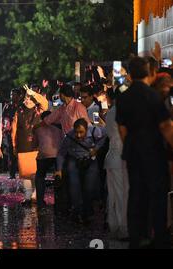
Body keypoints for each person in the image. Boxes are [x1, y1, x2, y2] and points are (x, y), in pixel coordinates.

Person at [116, 56, 173, 248]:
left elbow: (122, 128)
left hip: (133, 151)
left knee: (136, 194)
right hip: (154, 152)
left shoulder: (123, 97)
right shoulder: (154, 97)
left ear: (130, 75)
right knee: (157, 195)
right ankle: (159, 236)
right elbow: (165, 126)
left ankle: (136, 236)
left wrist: (131, 145)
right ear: (151, 73)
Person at [55, 118, 107, 224]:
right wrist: (59, 170)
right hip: (74, 160)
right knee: (74, 187)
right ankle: (77, 211)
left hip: (90, 161)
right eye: (76, 132)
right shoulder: (69, 136)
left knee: (89, 188)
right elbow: (61, 153)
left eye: (81, 132)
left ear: (86, 129)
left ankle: (87, 212)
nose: (78, 135)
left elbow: (105, 137)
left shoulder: (95, 131)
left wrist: (96, 149)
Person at [11, 86, 48, 205]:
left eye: (30, 98)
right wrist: (14, 145)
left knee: (37, 173)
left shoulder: (39, 109)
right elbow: (14, 129)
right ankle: (27, 197)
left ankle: (35, 195)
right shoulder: (19, 110)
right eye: (26, 98)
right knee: (25, 174)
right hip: (23, 145)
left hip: (37, 146)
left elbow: (45, 103)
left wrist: (34, 94)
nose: (27, 100)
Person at [104, 85, 128, 240]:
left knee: (113, 195)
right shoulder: (123, 111)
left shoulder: (111, 112)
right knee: (122, 195)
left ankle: (114, 226)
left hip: (112, 158)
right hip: (120, 159)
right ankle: (123, 229)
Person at [32, 111, 63, 208]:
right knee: (59, 177)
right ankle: (59, 201)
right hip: (58, 156)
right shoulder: (59, 129)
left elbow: (34, 144)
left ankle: (40, 201)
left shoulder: (38, 129)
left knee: (40, 176)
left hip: (43, 156)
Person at [2, 88, 21, 179]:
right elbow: (4, 118)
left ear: (19, 96)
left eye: (14, 95)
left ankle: (23, 171)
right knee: (11, 153)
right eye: (11, 95)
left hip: (21, 133)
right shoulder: (7, 106)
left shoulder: (22, 106)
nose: (12, 97)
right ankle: (12, 173)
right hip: (9, 133)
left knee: (21, 153)